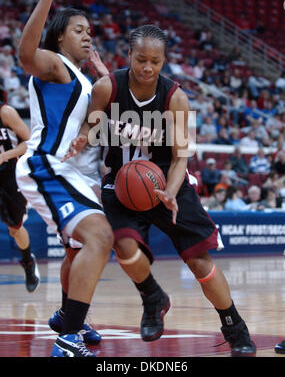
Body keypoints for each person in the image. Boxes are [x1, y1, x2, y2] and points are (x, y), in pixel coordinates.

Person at [67, 24, 256, 357]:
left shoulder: (176, 98)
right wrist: (84, 135)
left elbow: (182, 156)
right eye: (141, 59)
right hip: (122, 184)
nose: (147, 67)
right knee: (123, 244)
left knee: (200, 262)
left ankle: (234, 325)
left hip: (169, 181)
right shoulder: (106, 87)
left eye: (155, 61)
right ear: (129, 55)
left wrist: (169, 191)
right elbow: (92, 124)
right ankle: (152, 297)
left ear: (164, 61)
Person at [15, 0, 114, 358]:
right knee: (100, 236)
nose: (88, 35)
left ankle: (67, 316)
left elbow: (103, 116)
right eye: (78, 29)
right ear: (60, 37)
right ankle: (68, 337)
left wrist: (105, 74)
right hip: (48, 164)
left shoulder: (86, 78)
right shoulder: (55, 64)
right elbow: (25, 55)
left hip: (74, 172)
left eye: (89, 29)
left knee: (79, 247)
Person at [0, 103, 40, 292]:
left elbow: (30, 142)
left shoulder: (5, 112)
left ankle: (28, 262)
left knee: (15, 229)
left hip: (9, 176)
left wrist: (5, 155)